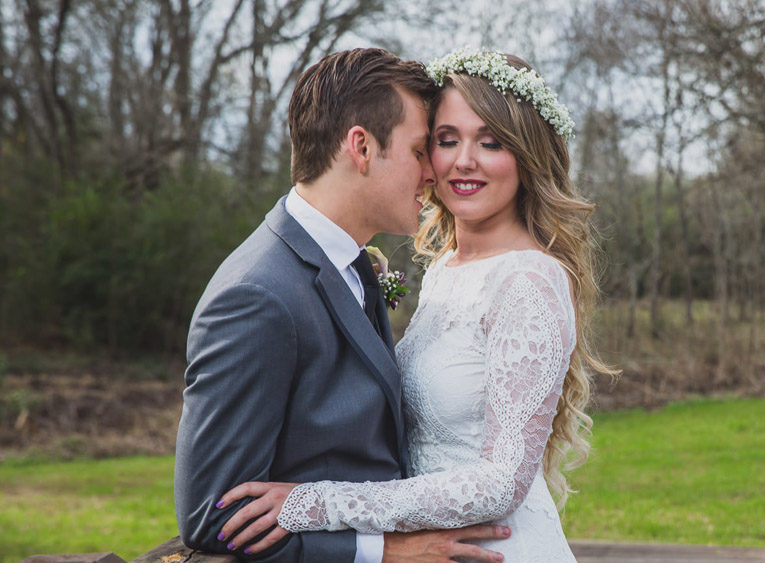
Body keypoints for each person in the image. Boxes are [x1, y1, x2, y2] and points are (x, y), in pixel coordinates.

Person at [212, 48, 616, 561]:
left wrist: (315, 504)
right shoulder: (445, 268)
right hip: (434, 547)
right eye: (445, 141)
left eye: (490, 142)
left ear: (526, 154)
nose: (463, 161)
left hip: (497, 549)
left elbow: (498, 484)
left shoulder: (529, 279)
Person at [173, 48, 510, 563]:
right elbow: (213, 516)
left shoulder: (354, 263)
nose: (432, 174)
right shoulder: (256, 296)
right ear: (362, 147)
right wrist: (382, 551)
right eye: (420, 151)